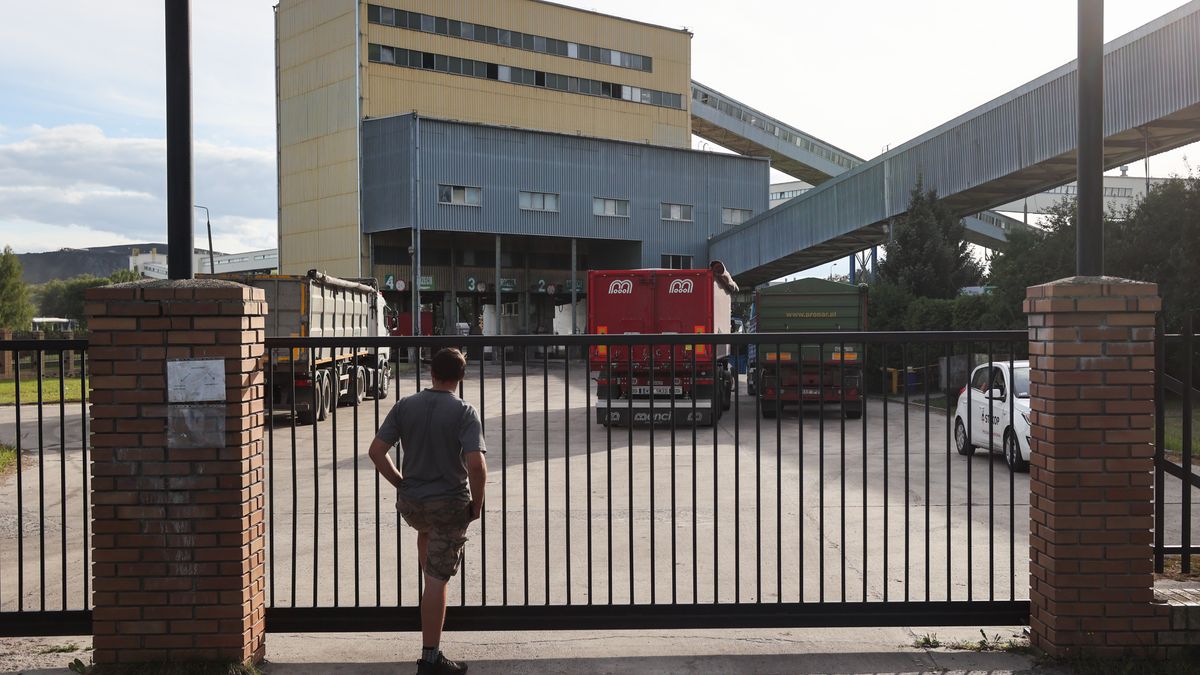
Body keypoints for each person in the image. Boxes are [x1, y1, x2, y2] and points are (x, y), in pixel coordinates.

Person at [368, 347, 487, 675]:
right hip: (448, 505)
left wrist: (401, 483)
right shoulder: (464, 411)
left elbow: (377, 451)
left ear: (431, 372)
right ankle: (430, 658)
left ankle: (429, 594)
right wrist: (475, 505)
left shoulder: (405, 406)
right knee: (438, 579)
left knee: (427, 540)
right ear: (460, 378)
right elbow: (477, 466)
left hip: (414, 505)